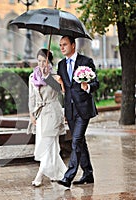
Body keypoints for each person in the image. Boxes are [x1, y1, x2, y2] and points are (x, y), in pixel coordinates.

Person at [55, 35, 99, 188]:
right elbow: (63, 90)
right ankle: (88, 173)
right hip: (70, 110)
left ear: (73, 45)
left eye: (64, 44)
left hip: (83, 109)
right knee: (80, 142)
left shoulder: (85, 62)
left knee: (76, 141)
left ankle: (68, 176)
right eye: (60, 45)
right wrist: (59, 82)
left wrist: (87, 86)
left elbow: (96, 83)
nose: (62, 48)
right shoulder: (60, 65)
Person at [27, 48, 67, 187]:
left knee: (48, 144)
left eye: (44, 61)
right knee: (50, 146)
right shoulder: (32, 77)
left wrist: (47, 78)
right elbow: (31, 97)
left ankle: (39, 175)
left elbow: (60, 90)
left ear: (49, 62)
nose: (41, 64)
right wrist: (31, 114)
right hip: (40, 114)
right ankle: (60, 173)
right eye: (39, 61)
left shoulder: (55, 76)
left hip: (53, 113)